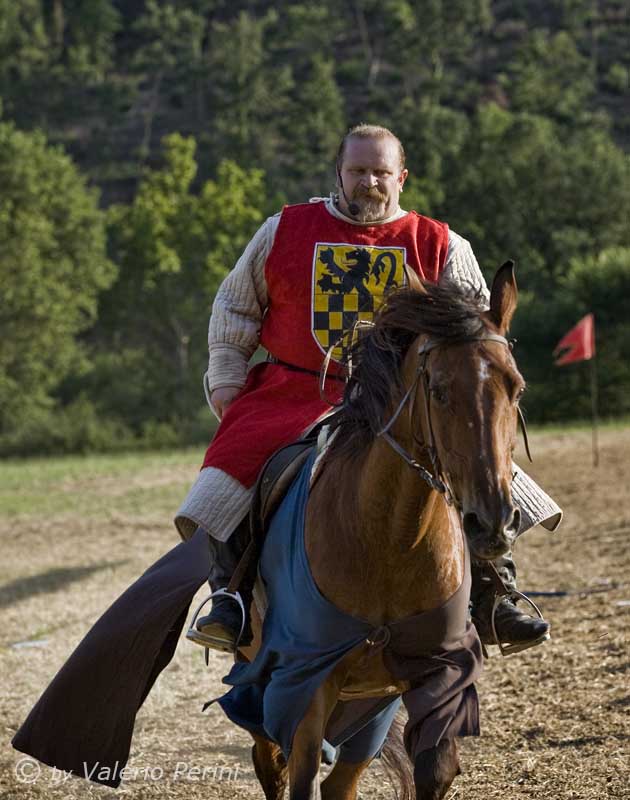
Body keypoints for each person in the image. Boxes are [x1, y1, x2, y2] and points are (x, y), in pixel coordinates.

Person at [175, 123, 554, 655]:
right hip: (294, 391)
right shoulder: (284, 229)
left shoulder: (440, 243)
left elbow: (479, 330)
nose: (369, 182)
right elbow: (235, 304)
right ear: (339, 174)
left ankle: (496, 592)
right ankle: (232, 599)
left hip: (405, 399)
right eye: (358, 171)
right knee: (230, 472)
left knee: (482, 464)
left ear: (402, 177)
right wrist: (228, 377)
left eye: (380, 172)